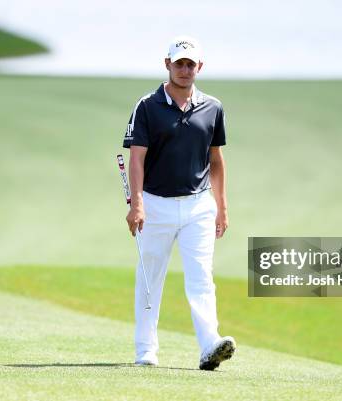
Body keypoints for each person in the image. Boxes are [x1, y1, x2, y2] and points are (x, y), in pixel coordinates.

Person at [122, 35, 236, 371]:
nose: (185, 70)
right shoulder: (147, 106)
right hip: (155, 205)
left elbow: (216, 160)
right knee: (149, 278)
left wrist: (222, 206)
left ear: (199, 67)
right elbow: (137, 158)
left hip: (199, 206)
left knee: (201, 276)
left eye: (191, 64)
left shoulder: (212, 107)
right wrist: (137, 203)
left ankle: (209, 344)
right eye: (179, 63)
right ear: (167, 64)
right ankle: (145, 351)